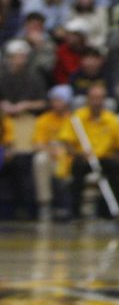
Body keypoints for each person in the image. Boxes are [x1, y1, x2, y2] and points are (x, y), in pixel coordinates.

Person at [58, 84, 119, 219]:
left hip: (104, 157)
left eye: (100, 98)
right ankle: (74, 211)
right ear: (88, 99)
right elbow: (67, 142)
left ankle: (108, 211)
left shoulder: (112, 120)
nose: (96, 102)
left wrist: (118, 157)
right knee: (77, 167)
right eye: (93, 98)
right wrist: (79, 154)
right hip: (82, 157)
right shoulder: (77, 117)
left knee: (115, 168)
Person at [32, 84, 73, 217]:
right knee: (40, 159)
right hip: (50, 156)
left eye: (59, 100)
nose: (56, 103)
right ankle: (45, 203)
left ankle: (66, 207)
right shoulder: (44, 119)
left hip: (69, 157)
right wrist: (51, 150)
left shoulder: (74, 119)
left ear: (67, 101)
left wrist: (64, 150)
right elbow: (37, 144)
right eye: (53, 100)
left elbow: (78, 144)